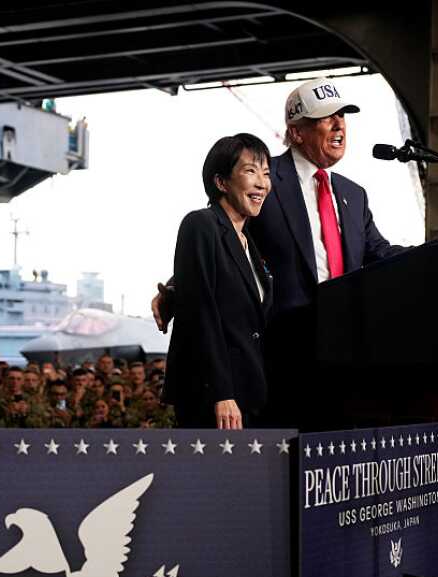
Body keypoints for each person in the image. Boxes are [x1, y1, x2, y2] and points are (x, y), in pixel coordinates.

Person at [154, 78, 403, 428]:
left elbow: (380, 253)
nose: (339, 125)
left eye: (343, 116)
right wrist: (176, 289)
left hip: (340, 357)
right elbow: (219, 239)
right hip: (279, 362)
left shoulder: (354, 195)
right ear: (297, 132)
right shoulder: (261, 180)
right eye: (326, 117)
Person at [164, 133, 273, 429]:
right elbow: (200, 312)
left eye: (266, 174)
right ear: (221, 182)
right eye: (250, 171)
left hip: (249, 393)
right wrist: (221, 393)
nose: (262, 183)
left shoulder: (249, 241)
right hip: (213, 397)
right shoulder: (200, 224)